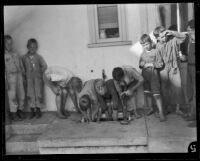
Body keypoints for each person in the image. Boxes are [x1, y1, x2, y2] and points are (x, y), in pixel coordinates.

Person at [156, 26, 187, 116]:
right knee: (164, 90)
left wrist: (171, 32)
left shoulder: (173, 40)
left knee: (178, 88)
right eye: (161, 37)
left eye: (165, 35)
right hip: (163, 69)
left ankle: (178, 109)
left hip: (174, 67)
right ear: (157, 38)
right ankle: (167, 108)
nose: (164, 38)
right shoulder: (157, 46)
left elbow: (183, 37)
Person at [139, 34, 166, 121]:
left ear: (150, 42)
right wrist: (142, 64)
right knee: (147, 93)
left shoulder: (156, 51)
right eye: (143, 45)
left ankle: (161, 112)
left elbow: (161, 64)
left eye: (147, 44)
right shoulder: (142, 53)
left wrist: (152, 64)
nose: (145, 47)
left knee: (156, 94)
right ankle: (150, 108)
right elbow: (140, 64)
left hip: (154, 75)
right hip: (145, 76)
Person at [22, 39, 47, 119]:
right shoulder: (24, 58)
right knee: (30, 94)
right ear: (28, 47)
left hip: (37, 79)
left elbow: (44, 65)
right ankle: (32, 111)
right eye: (31, 47)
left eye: (34, 47)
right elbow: (22, 68)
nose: (33, 49)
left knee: (38, 93)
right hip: (29, 79)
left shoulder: (38, 57)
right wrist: (24, 76)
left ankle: (38, 110)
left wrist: (39, 72)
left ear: (36, 48)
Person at [4, 35, 25, 121]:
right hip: (10, 77)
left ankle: (20, 110)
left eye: (11, 43)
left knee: (21, 94)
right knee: (12, 96)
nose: (10, 45)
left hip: (19, 75)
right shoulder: (4, 55)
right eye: (8, 43)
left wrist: (23, 75)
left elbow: (21, 65)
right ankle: (14, 113)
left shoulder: (15, 53)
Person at [184, 19, 196, 128]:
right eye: (188, 31)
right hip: (189, 67)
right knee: (190, 92)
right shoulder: (190, 39)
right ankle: (192, 115)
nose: (188, 33)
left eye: (190, 31)